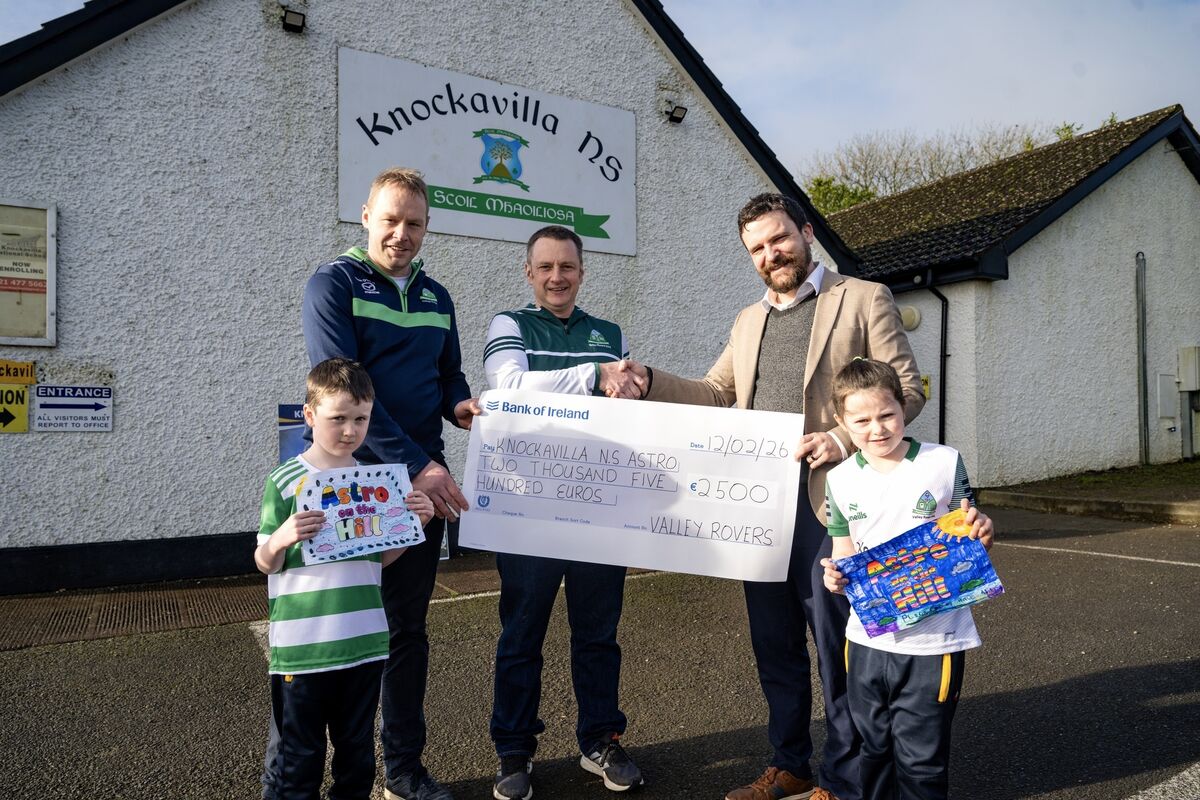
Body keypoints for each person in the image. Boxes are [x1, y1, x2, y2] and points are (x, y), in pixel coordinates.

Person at [627, 193, 925, 800]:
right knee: (775, 644)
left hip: (833, 507)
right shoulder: (748, 320)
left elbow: (909, 388)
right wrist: (650, 380)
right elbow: (715, 391)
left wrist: (845, 439)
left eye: (779, 239)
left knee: (837, 644)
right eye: (758, 248)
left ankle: (845, 782)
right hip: (757, 508)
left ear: (806, 232)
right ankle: (790, 764)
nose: (772, 254)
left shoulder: (863, 298)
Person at [301, 167, 480, 800]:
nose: (401, 234)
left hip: (417, 494)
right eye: (390, 220)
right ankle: (329, 774)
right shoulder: (333, 283)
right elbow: (344, 391)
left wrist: (461, 405)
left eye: (415, 223)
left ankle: (402, 769)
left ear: (428, 227)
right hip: (354, 484)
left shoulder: (438, 297)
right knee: (340, 631)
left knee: (405, 630)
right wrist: (420, 467)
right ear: (366, 216)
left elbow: (449, 372)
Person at [483, 226, 646, 800]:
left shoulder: (608, 333)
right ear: (529, 273)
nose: (557, 277)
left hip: (599, 509)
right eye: (546, 267)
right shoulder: (509, 325)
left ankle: (599, 738)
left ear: (582, 272)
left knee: (598, 634)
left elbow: (621, 414)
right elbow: (508, 390)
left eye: (568, 267)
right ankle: (513, 750)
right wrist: (594, 377)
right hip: (527, 512)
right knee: (522, 633)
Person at [255, 357, 435, 800]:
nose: (351, 431)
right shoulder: (286, 481)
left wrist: (415, 529)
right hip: (304, 648)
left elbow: (379, 561)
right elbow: (263, 561)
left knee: (357, 756)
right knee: (297, 760)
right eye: (338, 418)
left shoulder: (375, 482)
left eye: (361, 419)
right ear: (310, 415)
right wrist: (280, 538)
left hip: (364, 644)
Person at [820, 358, 993, 800]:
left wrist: (982, 532)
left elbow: (969, 528)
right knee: (873, 750)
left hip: (933, 641)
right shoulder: (837, 480)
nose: (877, 429)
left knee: (921, 760)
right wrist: (835, 579)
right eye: (861, 420)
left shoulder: (943, 461)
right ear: (841, 421)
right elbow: (842, 551)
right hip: (865, 638)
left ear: (904, 407)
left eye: (887, 415)